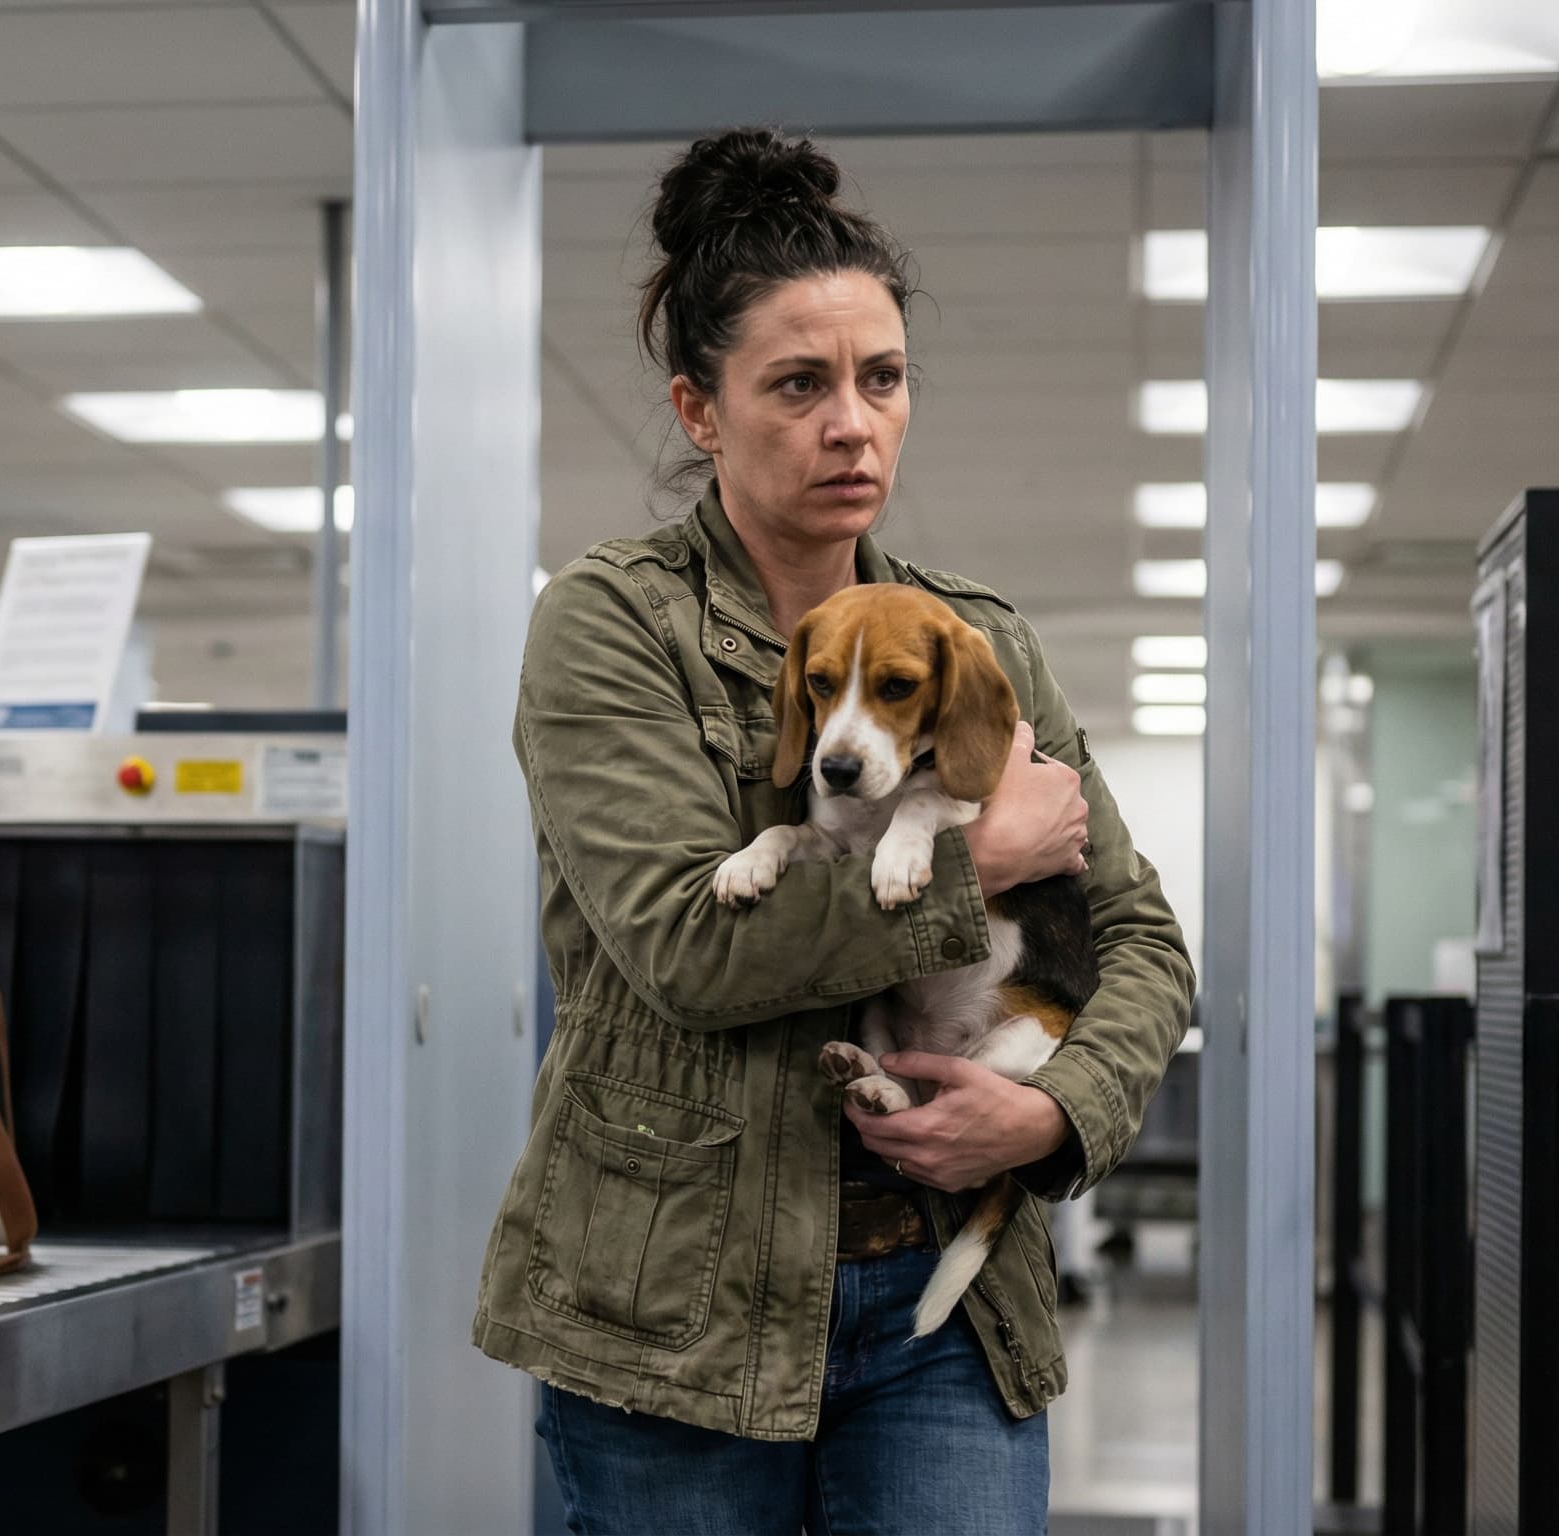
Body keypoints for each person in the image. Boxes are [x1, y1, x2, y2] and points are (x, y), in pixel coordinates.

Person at [473, 129, 1196, 1536]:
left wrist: (1054, 1113)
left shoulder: (979, 642)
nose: (852, 423)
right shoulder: (616, 626)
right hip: (674, 1310)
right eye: (799, 385)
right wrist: (975, 863)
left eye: (882, 379)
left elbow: (1142, 940)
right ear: (700, 409)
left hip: (945, 1304)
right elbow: (690, 947)